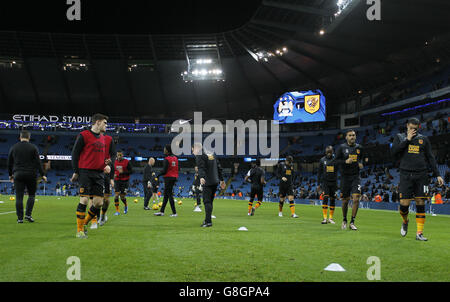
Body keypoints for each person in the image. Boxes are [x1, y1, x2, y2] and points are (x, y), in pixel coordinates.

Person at [391, 117, 444, 241]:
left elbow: (430, 158)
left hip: (421, 175)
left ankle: (419, 233)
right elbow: (394, 153)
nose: (413, 131)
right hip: (405, 175)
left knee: (421, 202)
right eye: (410, 128)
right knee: (404, 205)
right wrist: (407, 139)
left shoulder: (423, 140)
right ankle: (405, 221)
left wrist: (438, 174)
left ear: (418, 127)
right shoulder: (399, 137)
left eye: (415, 129)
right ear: (407, 126)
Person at [71, 113, 113, 238]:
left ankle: (84, 223)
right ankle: (79, 230)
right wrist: (76, 171)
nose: (106, 125)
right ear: (98, 122)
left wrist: (106, 165)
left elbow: (102, 157)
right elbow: (75, 154)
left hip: (99, 173)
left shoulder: (102, 138)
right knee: (84, 200)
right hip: (85, 172)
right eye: (105, 123)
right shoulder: (84, 135)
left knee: (99, 203)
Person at [7, 130, 47, 223]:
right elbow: (38, 162)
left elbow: (9, 163)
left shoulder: (14, 147)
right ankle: (28, 215)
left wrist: (10, 175)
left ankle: (20, 218)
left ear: (20, 137)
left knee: (19, 197)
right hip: (31, 174)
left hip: (18, 174)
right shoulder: (33, 147)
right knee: (31, 195)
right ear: (29, 137)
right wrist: (43, 174)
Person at [335, 129, 364, 230]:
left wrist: (362, 163)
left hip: (356, 176)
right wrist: (345, 161)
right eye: (350, 135)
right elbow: (336, 161)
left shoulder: (359, 147)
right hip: (345, 177)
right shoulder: (342, 148)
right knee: (345, 200)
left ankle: (352, 222)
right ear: (346, 137)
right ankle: (344, 220)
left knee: (356, 199)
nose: (352, 137)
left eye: (354, 135)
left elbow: (364, 158)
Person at [192, 142, 225, 227]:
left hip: (207, 181)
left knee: (206, 201)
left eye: (193, 150)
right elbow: (219, 167)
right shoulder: (212, 153)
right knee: (210, 201)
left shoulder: (200, 154)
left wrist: (202, 177)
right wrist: (221, 179)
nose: (193, 152)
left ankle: (208, 222)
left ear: (196, 148)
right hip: (215, 181)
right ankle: (207, 219)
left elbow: (201, 167)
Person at [154, 145, 179, 217]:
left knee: (169, 194)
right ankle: (162, 211)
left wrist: (158, 175)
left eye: (165, 149)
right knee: (166, 194)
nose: (164, 150)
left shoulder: (167, 159)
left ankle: (174, 213)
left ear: (167, 150)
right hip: (174, 177)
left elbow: (164, 171)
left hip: (168, 178)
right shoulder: (175, 158)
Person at [318, 146, 338, 224]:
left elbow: (339, 170)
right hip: (325, 182)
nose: (329, 154)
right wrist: (318, 184)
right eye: (328, 153)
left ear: (332, 152)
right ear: (326, 153)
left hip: (333, 182)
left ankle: (331, 218)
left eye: (330, 152)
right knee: (325, 198)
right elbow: (319, 172)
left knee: (332, 199)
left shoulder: (335, 160)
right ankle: (325, 218)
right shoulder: (322, 160)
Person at [113, 150, 132, 215]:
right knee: (116, 196)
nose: (119, 156)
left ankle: (126, 205)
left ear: (122, 155)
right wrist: (114, 174)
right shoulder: (114, 162)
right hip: (117, 180)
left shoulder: (127, 162)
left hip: (125, 181)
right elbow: (113, 170)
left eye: (120, 155)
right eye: (118, 155)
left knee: (122, 197)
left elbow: (131, 171)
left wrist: (123, 172)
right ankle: (117, 211)